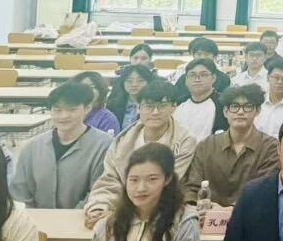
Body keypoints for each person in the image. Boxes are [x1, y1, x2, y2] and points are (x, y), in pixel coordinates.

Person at [84, 80, 197, 229]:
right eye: (149, 106)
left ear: (173, 107)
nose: (155, 112)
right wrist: (99, 209)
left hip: (162, 216)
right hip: (118, 211)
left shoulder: (184, 140)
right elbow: (109, 180)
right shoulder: (123, 141)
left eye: (162, 106)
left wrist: (120, 213)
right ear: (138, 108)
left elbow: (165, 185)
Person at [10, 82, 113, 209]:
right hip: (34, 219)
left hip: (83, 218)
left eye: (72, 109)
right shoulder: (32, 147)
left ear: (87, 108)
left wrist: (69, 218)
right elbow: (20, 192)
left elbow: (99, 192)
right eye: (57, 110)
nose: (64, 116)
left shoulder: (105, 145)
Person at [181, 84, 279, 208]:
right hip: (205, 215)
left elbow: (264, 191)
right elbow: (191, 188)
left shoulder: (270, 147)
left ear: (258, 110)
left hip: (249, 215)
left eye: (248, 106)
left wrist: (228, 211)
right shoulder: (206, 146)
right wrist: (197, 208)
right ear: (225, 112)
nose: (240, 112)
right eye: (234, 106)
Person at [172, 58, 226, 140]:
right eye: (192, 75)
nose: (197, 79)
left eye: (203, 75)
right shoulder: (177, 103)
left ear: (214, 78)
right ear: (185, 79)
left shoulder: (223, 103)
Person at [108, 63, 155, 128]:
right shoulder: (113, 104)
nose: (134, 85)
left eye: (140, 81)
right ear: (123, 83)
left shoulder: (155, 106)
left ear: (148, 82)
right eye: (129, 81)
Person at [73, 71, 120, 135]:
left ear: (100, 90)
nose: (87, 90)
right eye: (82, 87)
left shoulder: (107, 119)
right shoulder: (69, 114)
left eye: (91, 87)